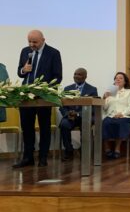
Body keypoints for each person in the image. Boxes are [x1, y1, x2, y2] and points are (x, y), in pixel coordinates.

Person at [14, 30, 62, 168]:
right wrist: (24, 70)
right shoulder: (25, 51)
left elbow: (57, 76)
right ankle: (28, 157)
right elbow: (20, 72)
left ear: (43, 40)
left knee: (44, 127)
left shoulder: (53, 53)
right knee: (27, 127)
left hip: (43, 97)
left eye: (34, 42)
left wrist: (45, 90)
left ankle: (43, 157)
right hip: (26, 96)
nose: (31, 44)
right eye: (29, 41)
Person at [58, 68, 98, 161]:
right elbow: (61, 105)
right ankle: (69, 150)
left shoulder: (92, 89)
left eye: (79, 74)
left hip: (84, 117)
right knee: (64, 125)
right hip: (69, 117)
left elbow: (93, 107)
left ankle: (83, 150)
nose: (76, 76)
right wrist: (67, 113)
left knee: (85, 125)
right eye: (75, 74)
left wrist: (78, 114)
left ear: (85, 76)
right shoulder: (67, 89)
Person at [102, 72, 130, 159]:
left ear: (125, 81)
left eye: (120, 78)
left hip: (123, 115)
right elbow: (105, 108)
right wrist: (105, 98)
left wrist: (122, 114)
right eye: (116, 78)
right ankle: (106, 147)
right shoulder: (110, 92)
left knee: (120, 123)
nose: (118, 79)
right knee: (105, 123)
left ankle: (117, 148)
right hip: (110, 115)